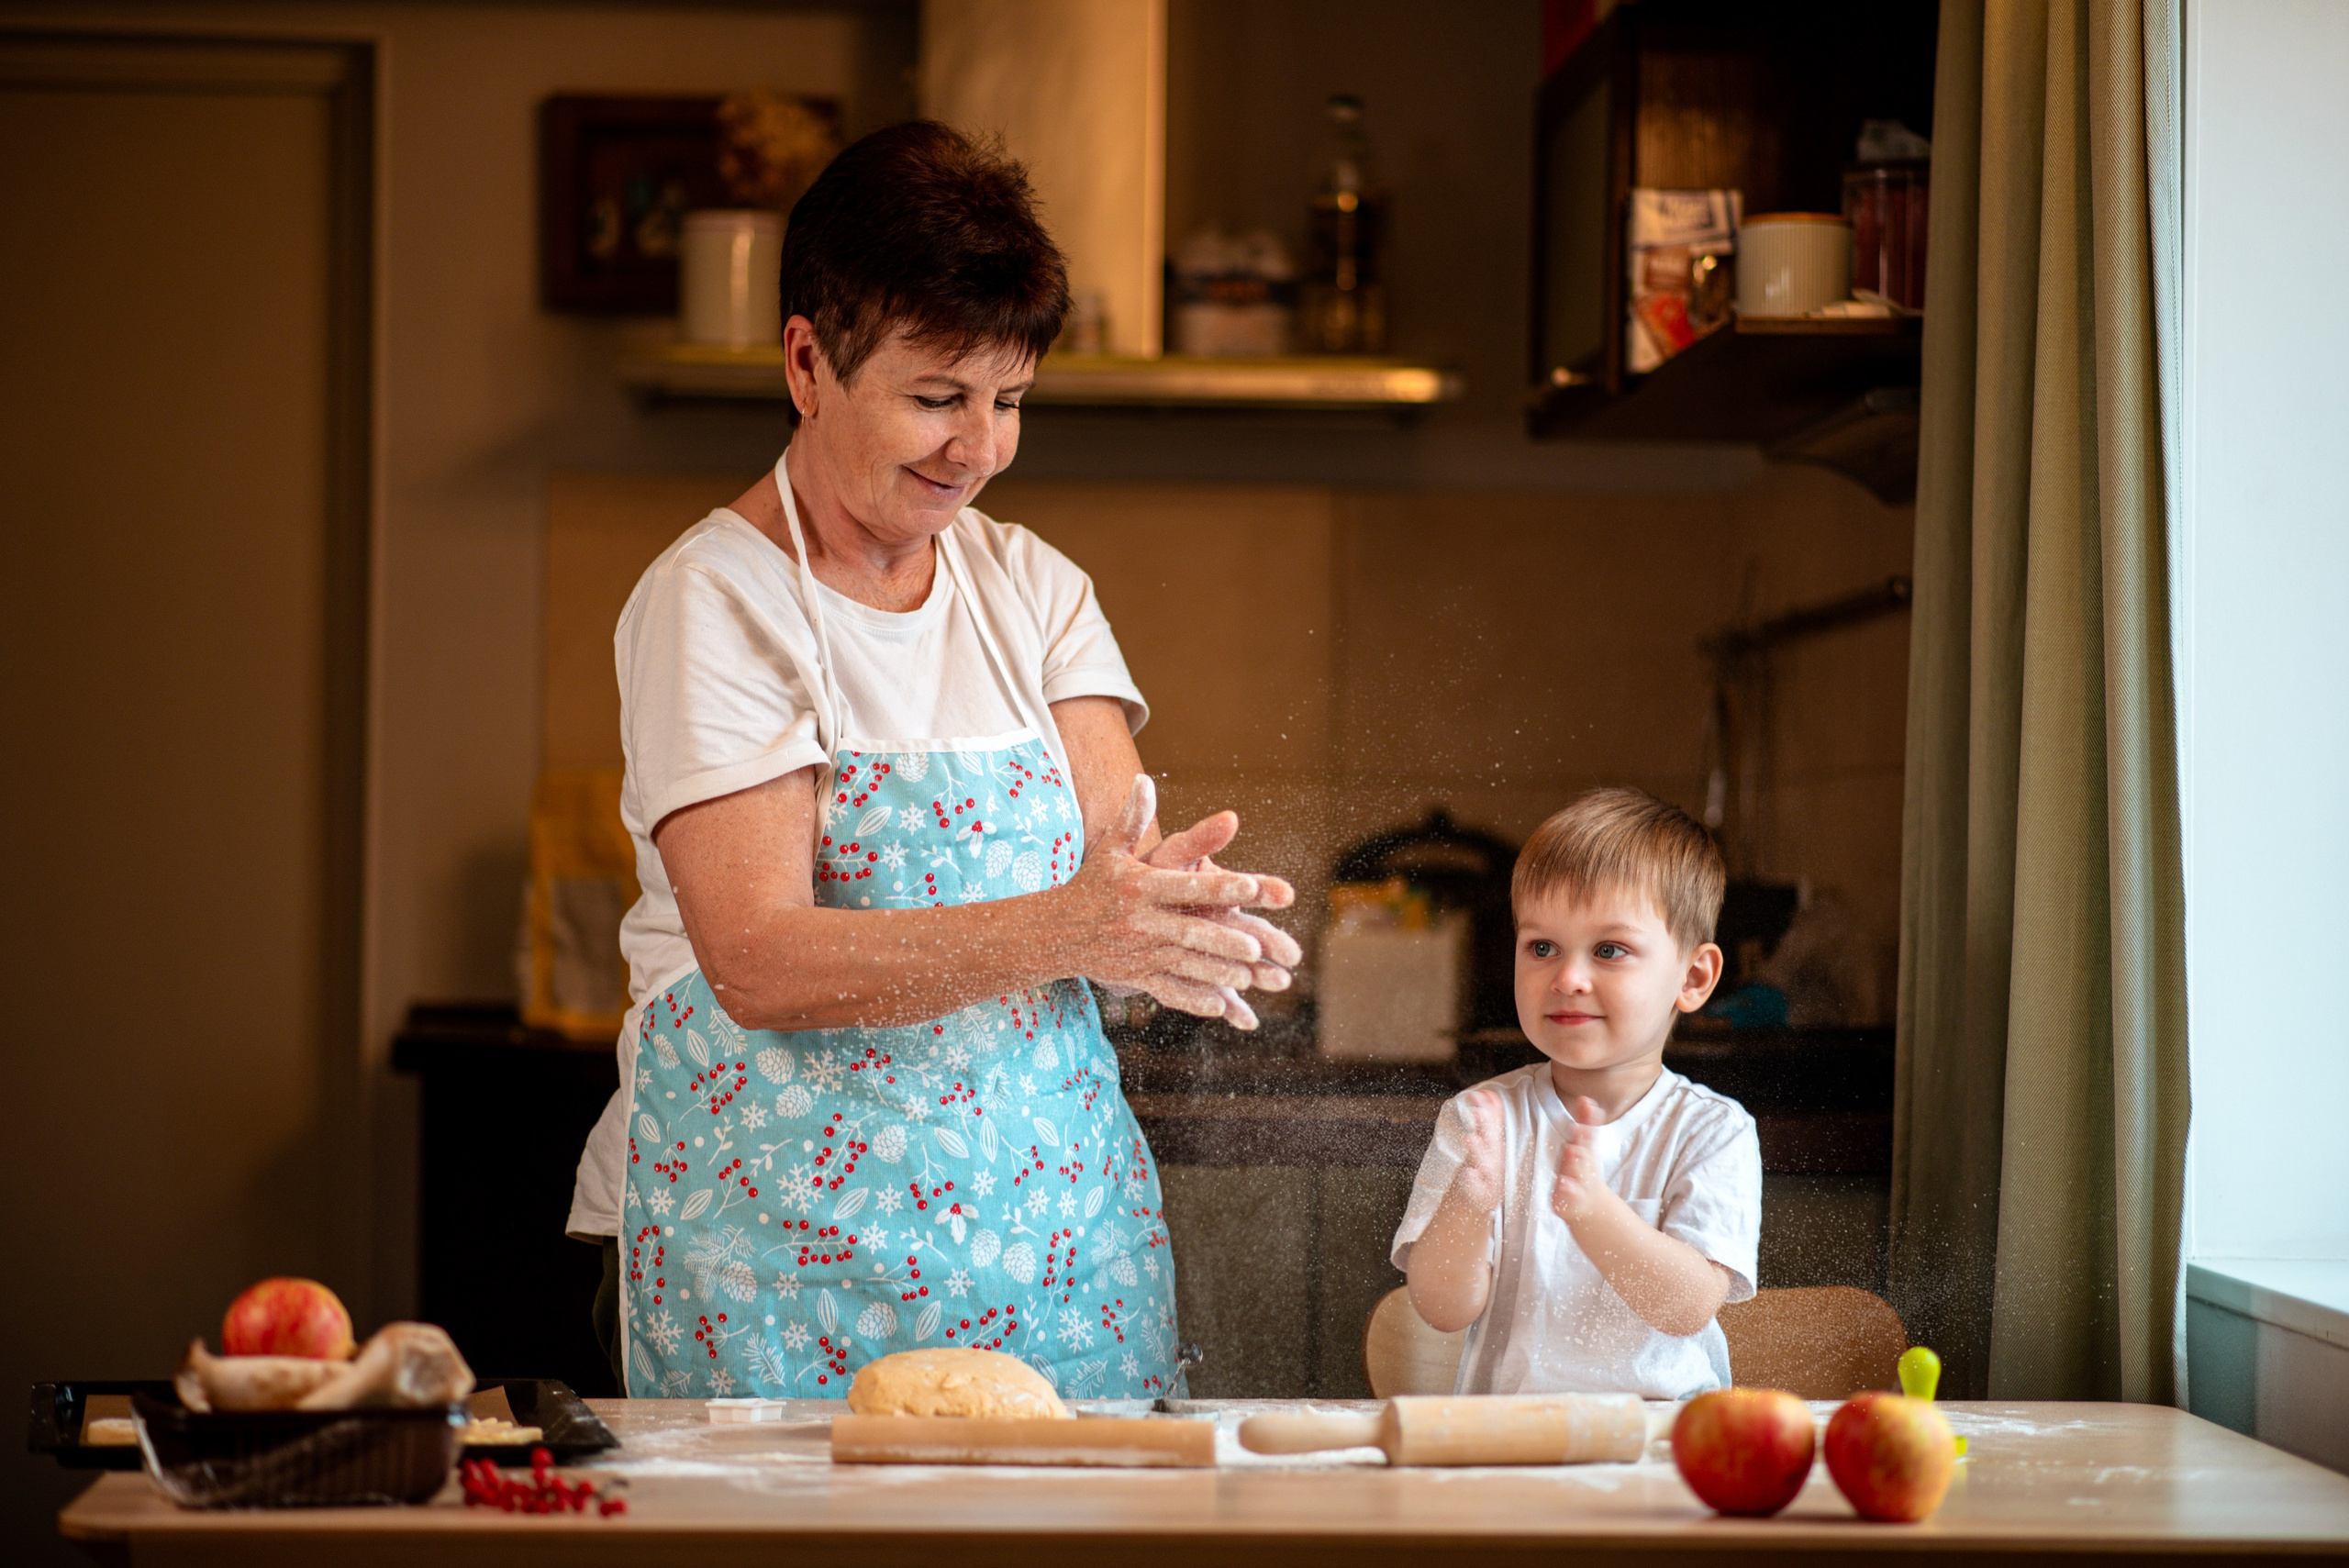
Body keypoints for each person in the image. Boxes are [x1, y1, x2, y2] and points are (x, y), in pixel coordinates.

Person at [564, 121, 1299, 1400]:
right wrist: (1085, 925)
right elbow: (758, 958)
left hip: (1055, 1263)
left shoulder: (1033, 591)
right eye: (936, 397)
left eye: (1008, 401)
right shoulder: (719, 602)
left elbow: (1107, 880)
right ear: (808, 360)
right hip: (780, 1268)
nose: (979, 448)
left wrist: (1179, 920)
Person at [1392, 788, 1760, 1398]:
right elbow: (1441, 1308)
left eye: (1609, 950)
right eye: (1542, 947)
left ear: (1693, 978)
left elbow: (1687, 1305)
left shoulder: (1713, 1130)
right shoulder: (1481, 1119)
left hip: (1663, 1449)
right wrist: (1469, 1202)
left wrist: (1592, 1209)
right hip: (1511, 1448)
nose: (1567, 977)